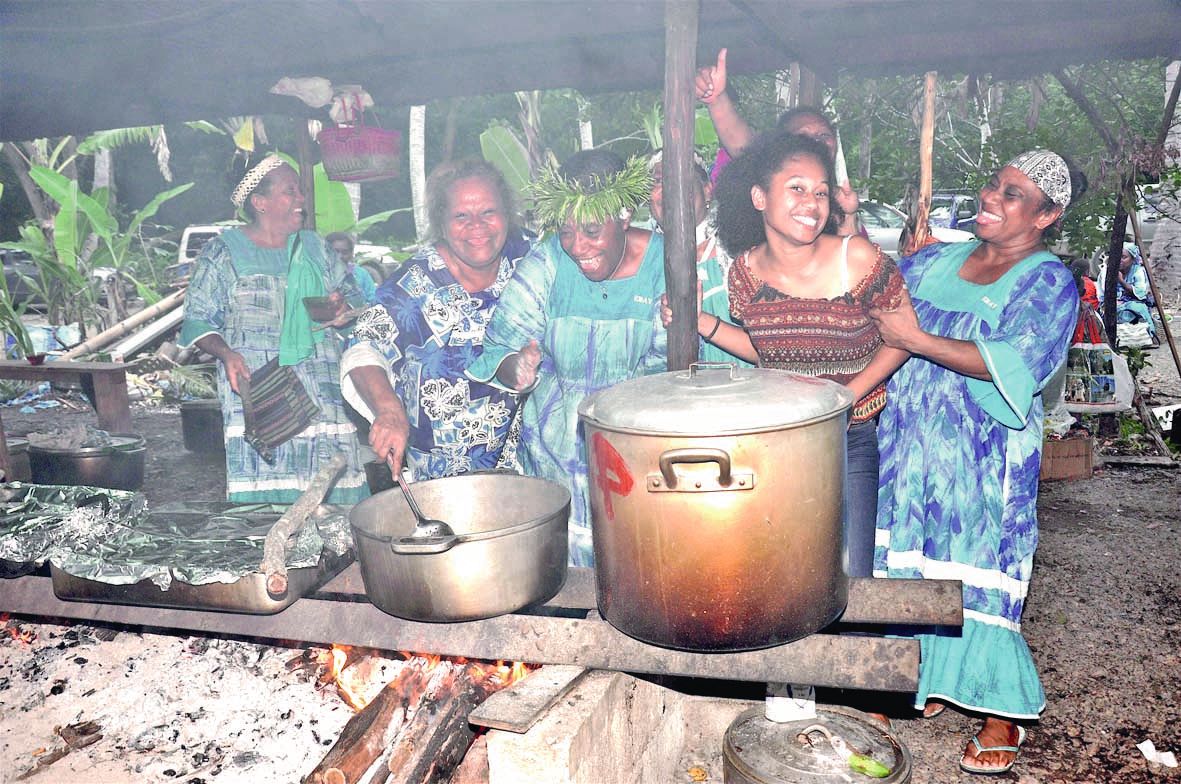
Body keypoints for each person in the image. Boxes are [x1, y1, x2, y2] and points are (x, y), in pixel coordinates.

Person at [868, 150, 1084, 775]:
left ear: (1048, 215)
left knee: (978, 570)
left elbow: (1014, 361)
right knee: (904, 562)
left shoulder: (1049, 283)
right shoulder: (932, 257)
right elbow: (869, 307)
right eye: (995, 184)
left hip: (983, 459)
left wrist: (915, 340)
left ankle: (1001, 715)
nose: (992, 196)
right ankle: (906, 680)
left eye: (1014, 194)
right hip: (906, 447)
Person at [663, 131, 908, 580]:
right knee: (786, 576)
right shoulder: (745, 273)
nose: (811, 203)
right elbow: (768, 351)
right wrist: (702, 323)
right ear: (759, 197)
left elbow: (903, 338)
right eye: (796, 188)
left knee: (851, 578)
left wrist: (845, 396)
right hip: (781, 443)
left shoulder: (859, 259)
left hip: (850, 438)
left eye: (820, 192)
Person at [466, 149, 666, 566]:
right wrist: (516, 368)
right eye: (567, 232)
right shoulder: (548, 261)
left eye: (592, 231)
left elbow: (675, 370)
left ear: (625, 215)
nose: (577, 246)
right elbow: (498, 347)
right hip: (554, 462)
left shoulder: (666, 263)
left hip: (637, 461)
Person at [180, 154, 370, 503]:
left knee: (332, 488)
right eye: (291, 191)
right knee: (267, 496)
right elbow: (197, 319)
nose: (302, 200)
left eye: (299, 192)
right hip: (260, 387)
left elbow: (356, 302)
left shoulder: (317, 248)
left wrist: (343, 309)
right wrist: (226, 353)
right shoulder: (223, 252)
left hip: (322, 391)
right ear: (260, 202)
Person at [340, 159, 532, 479]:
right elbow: (364, 347)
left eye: (488, 212)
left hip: (527, 469)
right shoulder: (417, 283)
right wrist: (388, 411)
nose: (477, 226)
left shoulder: (530, 260)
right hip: (440, 479)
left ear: (507, 215)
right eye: (461, 216)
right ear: (441, 223)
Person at [695, 48, 861, 237]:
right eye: (803, 136)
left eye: (824, 135)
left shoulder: (841, 202)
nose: (816, 143)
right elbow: (742, 144)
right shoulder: (763, 185)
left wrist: (847, 216)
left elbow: (855, 261)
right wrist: (716, 98)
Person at [647, 149, 751, 367]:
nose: (669, 189)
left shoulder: (742, 248)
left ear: (707, 191)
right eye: (657, 181)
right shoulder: (645, 258)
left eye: (682, 179)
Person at [1098, 243, 1157, 343]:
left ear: (1133, 259)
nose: (1120, 260)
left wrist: (1121, 281)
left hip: (1133, 302)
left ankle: (1148, 336)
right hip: (1112, 302)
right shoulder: (1106, 271)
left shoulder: (1138, 271)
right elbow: (1104, 292)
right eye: (1118, 257)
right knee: (1113, 310)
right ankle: (1116, 339)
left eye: (1124, 257)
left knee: (1138, 308)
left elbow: (1140, 292)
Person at [326, 232, 378, 303]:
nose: (339, 256)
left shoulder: (361, 274)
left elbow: (373, 300)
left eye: (345, 252)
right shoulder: (321, 275)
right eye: (335, 252)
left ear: (351, 254)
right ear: (326, 252)